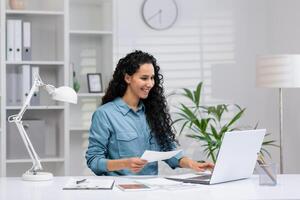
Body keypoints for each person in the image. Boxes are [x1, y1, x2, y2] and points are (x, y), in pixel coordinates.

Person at [86, 50, 214, 176]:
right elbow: (94, 161)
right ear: (127, 78)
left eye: (152, 78)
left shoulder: (153, 112)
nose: (150, 84)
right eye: (144, 78)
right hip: (120, 190)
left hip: (150, 189)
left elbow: (168, 150)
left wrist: (192, 164)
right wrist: (124, 163)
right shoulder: (105, 114)